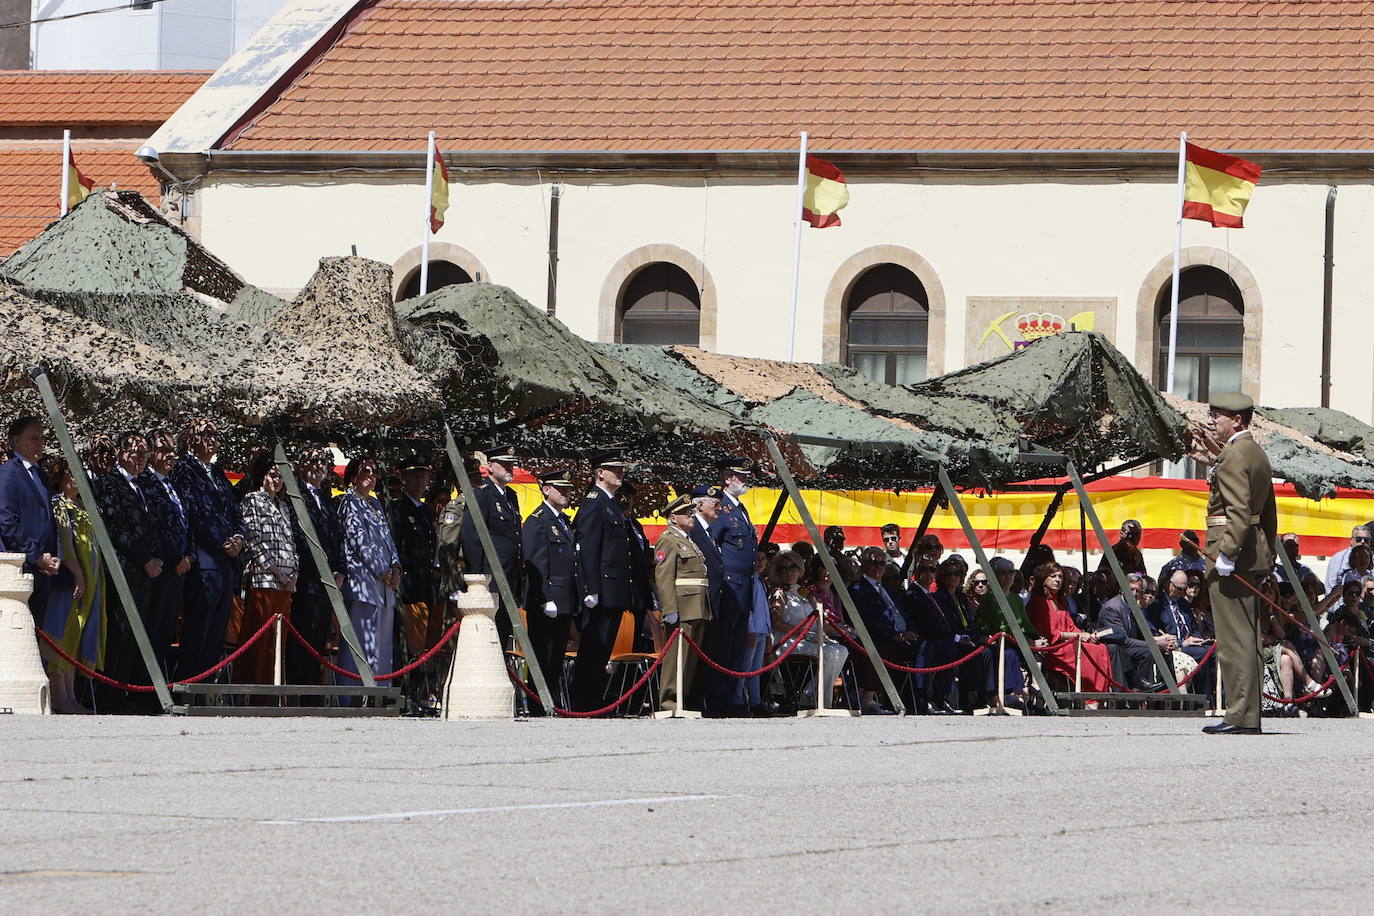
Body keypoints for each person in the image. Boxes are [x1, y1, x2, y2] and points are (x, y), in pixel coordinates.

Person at [1202, 392, 1278, 736]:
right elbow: (1269, 512)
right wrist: (1269, 554)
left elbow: (1237, 511)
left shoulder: (1233, 454)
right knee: (1248, 637)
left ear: (1237, 421)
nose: (1210, 421)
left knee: (1234, 639)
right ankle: (1247, 713)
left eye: (1217, 416)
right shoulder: (1256, 453)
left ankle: (1240, 715)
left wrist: (1227, 554)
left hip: (1233, 552)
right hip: (1254, 552)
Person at [169, 418, 246, 682]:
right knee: (198, 628)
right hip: (203, 561)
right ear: (191, 439)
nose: (212, 439)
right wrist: (220, 542)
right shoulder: (184, 469)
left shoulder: (219, 473)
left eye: (215, 434)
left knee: (216, 631)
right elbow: (191, 513)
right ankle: (189, 683)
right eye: (206, 434)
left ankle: (206, 687)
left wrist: (238, 538)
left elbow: (235, 512)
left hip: (225, 563)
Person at [92, 432, 161, 712]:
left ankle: (125, 694)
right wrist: (145, 558)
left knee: (136, 634)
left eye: (144, 452)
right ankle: (109, 696)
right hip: (125, 567)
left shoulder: (145, 486)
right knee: (119, 632)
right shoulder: (109, 482)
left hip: (148, 571)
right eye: (135, 452)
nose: (140, 457)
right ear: (121, 453)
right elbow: (116, 527)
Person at [571, 449, 637, 712]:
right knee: (593, 649)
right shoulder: (594, 502)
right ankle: (584, 701)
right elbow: (587, 548)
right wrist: (590, 588)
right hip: (601, 589)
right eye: (614, 469)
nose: (620, 473)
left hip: (613, 588)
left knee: (602, 649)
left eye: (621, 468)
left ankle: (594, 699)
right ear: (600, 472)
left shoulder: (609, 503)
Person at [283, 445, 344, 689]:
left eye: (323, 461)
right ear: (300, 467)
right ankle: (299, 690)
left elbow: (337, 537)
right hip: (308, 578)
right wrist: (318, 567)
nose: (320, 465)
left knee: (319, 636)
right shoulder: (296, 497)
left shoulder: (326, 500)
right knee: (303, 637)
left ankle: (311, 692)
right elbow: (298, 535)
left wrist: (341, 570)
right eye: (314, 461)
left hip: (329, 582)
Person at [237, 453, 299, 690]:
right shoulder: (252, 500)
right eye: (274, 474)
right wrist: (277, 572)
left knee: (278, 642)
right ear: (263, 475)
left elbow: (291, 541)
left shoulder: (283, 505)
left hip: (285, 585)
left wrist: (294, 573)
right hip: (264, 580)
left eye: (282, 476)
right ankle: (256, 695)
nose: (278, 480)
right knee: (260, 641)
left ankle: (275, 693)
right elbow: (254, 540)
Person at [40, 454, 97, 714]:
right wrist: (78, 574)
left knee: (74, 635)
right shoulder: (58, 504)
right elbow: (64, 544)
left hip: (87, 580)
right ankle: (59, 696)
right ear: (63, 478)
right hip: (66, 580)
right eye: (75, 474)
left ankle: (71, 695)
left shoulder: (83, 505)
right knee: (59, 635)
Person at [338, 455, 401, 686]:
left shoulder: (375, 504)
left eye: (374, 472)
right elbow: (359, 541)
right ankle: (352, 694)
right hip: (364, 583)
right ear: (354, 475)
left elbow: (388, 539)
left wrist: (395, 568)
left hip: (385, 587)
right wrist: (382, 570)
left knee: (382, 645)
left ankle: (380, 690)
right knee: (360, 642)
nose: (371, 477)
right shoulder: (349, 502)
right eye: (366, 471)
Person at [522, 469, 580, 710]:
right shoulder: (538, 520)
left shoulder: (563, 521)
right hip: (547, 599)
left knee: (555, 656)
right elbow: (536, 561)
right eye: (560, 488)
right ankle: (538, 703)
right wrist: (544, 597)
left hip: (564, 597)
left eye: (568, 489)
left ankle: (550, 701)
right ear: (546, 489)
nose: (566, 493)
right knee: (543, 654)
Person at [137, 429, 192, 680]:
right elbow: (156, 526)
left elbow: (184, 522)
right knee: (154, 628)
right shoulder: (145, 482)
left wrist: (189, 555)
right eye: (164, 449)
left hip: (180, 569)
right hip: (161, 569)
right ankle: (144, 687)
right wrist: (174, 557)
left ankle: (158, 685)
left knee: (166, 632)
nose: (170, 455)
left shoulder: (173, 484)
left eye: (173, 450)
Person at [707, 458, 759, 717]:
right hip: (728, 587)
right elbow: (711, 546)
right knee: (723, 646)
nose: (746, 479)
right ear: (727, 478)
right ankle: (718, 700)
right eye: (741, 475)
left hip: (744, 588)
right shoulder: (722, 508)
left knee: (737, 647)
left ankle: (732, 698)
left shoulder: (740, 509)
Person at [458, 446, 523, 645]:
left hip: (509, 576)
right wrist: (479, 579)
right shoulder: (482, 494)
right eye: (504, 464)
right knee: (489, 635)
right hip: (491, 578)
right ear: (490, 467)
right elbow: (471, 538)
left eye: (511, 464)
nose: (509, 468)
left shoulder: (511, 497)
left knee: (503, 632)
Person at [0, 417, 61, 624]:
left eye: (42, 438)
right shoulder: (8, 473)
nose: (40, 444)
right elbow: (7, 522)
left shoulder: (40, 476)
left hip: (42, 569)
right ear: (16, 441)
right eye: (34, 438)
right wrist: (35, 556)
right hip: (22, 568)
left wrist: (52, 557)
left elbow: (48, 520)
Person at [769, 550, 847, 709]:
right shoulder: (779, 593)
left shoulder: (804, 592)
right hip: (788, 640)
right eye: (783, 568)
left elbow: (818, 615)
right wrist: (798, 631)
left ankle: (810, 693)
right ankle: (812, 698)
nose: (788, 572)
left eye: (792, 567)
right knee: (831, 653)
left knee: (842, 650)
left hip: (809, 638)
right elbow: (776, 622)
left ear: (799, 570)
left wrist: (824, 632)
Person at [654, 494, 710, 714]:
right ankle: (669, 702)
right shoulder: (668, 540)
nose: (691, 516)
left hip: (696, 605)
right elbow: (664, 576)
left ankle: (682, 700)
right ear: (672, 518)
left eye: (692, 512)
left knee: (689, 658)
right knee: (676, 656)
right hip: (682, 605)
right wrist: (669, 609)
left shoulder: (688, 540)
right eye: (686, 513)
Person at [849, 547, 923, 712]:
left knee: (931, 648)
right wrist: (895, 635)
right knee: (879, 648)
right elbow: (866, 619)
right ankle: (868, 698)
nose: (879, 567)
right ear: (864, 565)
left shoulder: (888, 590)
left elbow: (903, 614)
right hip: (881, 638)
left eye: (882, 563)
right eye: (874, 563)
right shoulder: (857, 589)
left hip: (903, 637)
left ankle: (922, 700)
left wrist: (911, 632)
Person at [1026, 562, 1114, 693]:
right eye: (1053, 576)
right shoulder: (1039, 602)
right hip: (1052, 647)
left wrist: (1087, 636)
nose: (1057, 580)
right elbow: (1050, 634)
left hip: (1067, 643)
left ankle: (1101, 695)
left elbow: (1071, 627)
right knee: (1092, 652)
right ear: (1044, 579)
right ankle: (1091, 696)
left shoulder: (1060, 601)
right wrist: (1079, 636)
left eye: (1060, 577)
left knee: (1100, 648)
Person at [390, 455, 440, 659]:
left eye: (424, 477)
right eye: (416, 477)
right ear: (405, 479)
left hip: (424, 584)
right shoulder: (398, 509)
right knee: (408, 645)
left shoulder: (426, 511)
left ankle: (422, 684)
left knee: (423, 646)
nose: (421, 482)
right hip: (408, 586)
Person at [975, 557, 1038, 713]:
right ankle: (1008, 693)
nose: (1008, 576)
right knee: (1009, 654)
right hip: (998, 642)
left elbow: (1026, 624)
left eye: (1011, 572)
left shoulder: (1016, 599)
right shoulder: (990, 599)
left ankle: (1036, 695)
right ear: (995, 576)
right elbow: (993, 625)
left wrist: (1038, 638)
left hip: (1018, 641)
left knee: (1036, 652)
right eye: (1003, 573)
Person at [1098, 573, 1172, 691]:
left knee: (1161, 652)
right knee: (1148, 651)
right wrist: (1154, 644)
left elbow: (1138, 634)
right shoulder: (1112, 607)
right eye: (1131, 589)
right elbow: (1123, 639)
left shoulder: (1132, 606)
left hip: (1127, 646)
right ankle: (1140, 686)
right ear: (1122, 589)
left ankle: (1155, 689)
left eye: (1137, 591)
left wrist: (1160, 641)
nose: (1134, 594)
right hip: (1114, 648)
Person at [1148, 569, 1215, 699]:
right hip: (1175, 647)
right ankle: (1204, 698)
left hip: (1191, 644)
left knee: (1216, 653)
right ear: (1168, 584)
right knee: (1204, 654)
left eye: (1183, 589)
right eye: (1178, 588)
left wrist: (1197, 639)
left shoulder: (1183, 604)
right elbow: (1156, 633)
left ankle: (1222, 699)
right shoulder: (1157, 604)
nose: (1181, 592)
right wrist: (1181, 642)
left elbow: (1193, 628)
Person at [618, 483, 658, 651]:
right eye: (620, 495)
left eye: (629, 495)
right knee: (619, 644)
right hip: (621, 591)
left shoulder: (635, 525)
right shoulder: (614, 523)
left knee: (635, 644)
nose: (625, 499)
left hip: (639, 593)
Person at [1324, 526, 1371, 592]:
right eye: (1358, 539)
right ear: (1352, 541)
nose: (1362, 542)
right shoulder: (1338, 558)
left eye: (1366, 540)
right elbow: (1331, 585)